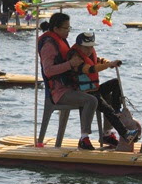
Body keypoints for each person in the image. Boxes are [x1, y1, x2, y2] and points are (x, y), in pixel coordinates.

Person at [66, 32, 138, 148]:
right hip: (85, 93)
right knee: (107, 110)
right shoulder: (76, 58)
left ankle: (117, 111)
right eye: (86, 47)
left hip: (95, 89)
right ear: (79, 46)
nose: (90, 50)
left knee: (115, 82)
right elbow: (90, 69)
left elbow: (98, 60)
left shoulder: (89, 54)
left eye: (91, 47)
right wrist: (108, 65)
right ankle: (125, 134)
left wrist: (109, 62)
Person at [38, 13, 98, 150]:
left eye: (69, 28)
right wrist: (70, 64)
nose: (68, 31)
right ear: (56, 28)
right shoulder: (49, 45)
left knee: (104, 93)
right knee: (91, 100)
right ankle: (84, 138)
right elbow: (48, 71)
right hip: (58, 92)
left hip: (72, 86)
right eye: (65, 28)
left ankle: (107, 134)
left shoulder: (61, 40)